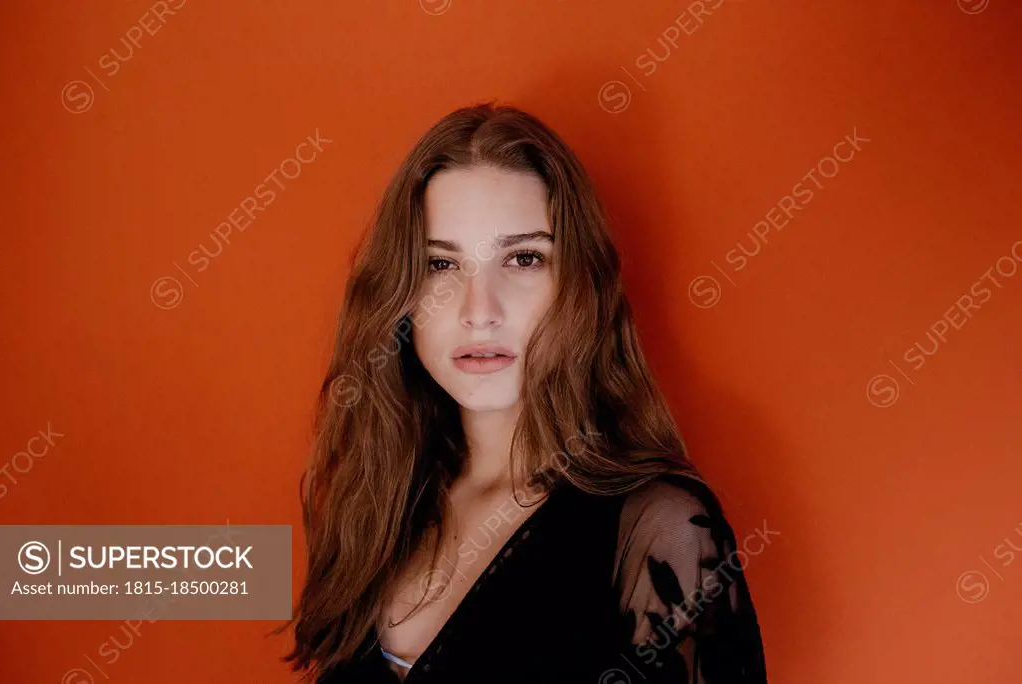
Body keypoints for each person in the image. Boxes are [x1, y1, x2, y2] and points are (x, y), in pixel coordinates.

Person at [278, 102, 768, 683]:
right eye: (441, 264)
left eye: (524, 258)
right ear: (401, 294)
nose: (478, 312)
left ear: (578, 285)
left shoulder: (656, 526)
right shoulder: (377, 502)